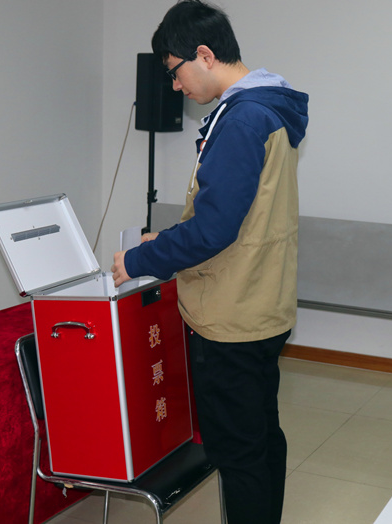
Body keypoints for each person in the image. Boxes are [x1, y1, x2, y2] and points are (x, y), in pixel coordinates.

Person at [111, 1, 308, 522]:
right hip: (262, 302)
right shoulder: (268, 108)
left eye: (175, 72)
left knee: (239, 453)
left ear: (204, 54)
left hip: (231, 314)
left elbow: (216, 230)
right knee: (261, 438)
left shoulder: (243, 118)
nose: (175, 86)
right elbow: (241, 216)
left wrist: (141, 257)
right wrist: (169, 236)